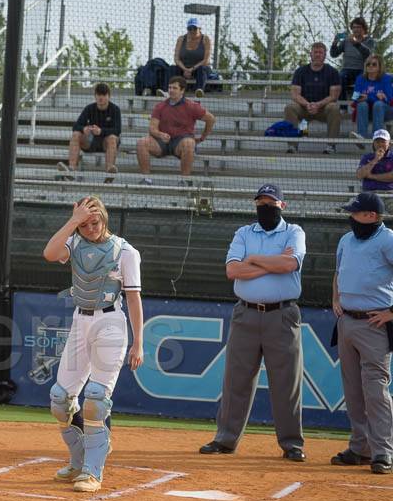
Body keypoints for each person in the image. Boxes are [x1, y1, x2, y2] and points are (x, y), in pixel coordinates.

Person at [42, 197, 144, 493]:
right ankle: (78, 460)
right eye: (84, 224)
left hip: (110, 324)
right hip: (80, 321)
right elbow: (49, 254)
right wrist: (73, 221)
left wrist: (139, 343)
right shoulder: (74, 242)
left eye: (95, 222)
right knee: (60, 400)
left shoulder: (125, 252)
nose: (90, 229)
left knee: (96, 399)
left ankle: (92, 471)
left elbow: (134, 299)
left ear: (105, 219)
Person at [200, 184, 307, 461]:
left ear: (282, 205)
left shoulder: (294, 232)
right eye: (261, 202)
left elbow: (289, 265)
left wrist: (256, 259)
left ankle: (292, 444)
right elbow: (233, 270)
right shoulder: (244, 232)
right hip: (245, 313)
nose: (265, 206)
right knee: (236, 380)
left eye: (271, 202)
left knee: (286, 382)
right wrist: (272, 262)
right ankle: (225, 439)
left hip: (282, 314)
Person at [332, 191, 393, 473]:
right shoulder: (346, 240)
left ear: (371, 216)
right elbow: (338, 272)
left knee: (375, 390)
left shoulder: (388, 239)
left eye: (354, 212)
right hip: (347, 321)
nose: (350, 217)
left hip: (374, 323)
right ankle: (360, 448)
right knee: (353, 391)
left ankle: (383, 451)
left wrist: (392, 313)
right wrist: (336, 298)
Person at [135, 77, 215, 184]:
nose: (171, 90)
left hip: (181, 141)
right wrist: (160, 134)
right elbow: (152, 128)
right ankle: (146, 179)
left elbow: (211, 119)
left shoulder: (192, 106)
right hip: (162, 142)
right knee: (141, 142)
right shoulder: (160, 106)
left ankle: (184, 181)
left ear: (182, 90)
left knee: (189, 143)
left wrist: (202, 137)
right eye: (169, 87)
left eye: (175, 88)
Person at [284, 42, 342, 153]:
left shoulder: (333, 72)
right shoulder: (300, 71)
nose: (318, 55)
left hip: (323, 108)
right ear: (311, 54)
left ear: (325, 55)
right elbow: (295, 94)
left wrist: (318, 105)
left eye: (321, 52)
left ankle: (331, 146)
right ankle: (292, 145)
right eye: (315, 52)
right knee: (290, 107)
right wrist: (307, 104)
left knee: (334, 107)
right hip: (304, 108)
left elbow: (333, 96)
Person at [57, 82, 122, 181]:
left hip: (107, 144)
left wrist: (101, 131)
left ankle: (109, 172)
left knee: (112, 138)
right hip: (91, 142)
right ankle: (71, 170)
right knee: (76, 134)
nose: (101, 98)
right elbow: (76, 126)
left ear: (109, 96)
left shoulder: (115, 109)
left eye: (103, 95)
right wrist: (84, 129)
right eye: (98, 95)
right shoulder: (89, 108)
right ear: (95, 96)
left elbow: (117, 130)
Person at [331, 16, 377, 98]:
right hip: (346, 69)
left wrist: (356, 44)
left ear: (364, 29)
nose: (356, 29)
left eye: (358, 27)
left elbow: (368, 55)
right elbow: (334, 54)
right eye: (354, 27)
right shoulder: (346, 41)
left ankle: (356, 103)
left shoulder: (369, 41)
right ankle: (343, 107)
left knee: (361, 79)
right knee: (340, 77)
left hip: (362, 70)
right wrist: (334, 44)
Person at [350, 54, 392, 140]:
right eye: (368, 64)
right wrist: (374, 97)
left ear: (380, 66)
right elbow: (355, 97)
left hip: (385, 112)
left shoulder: (386, 78)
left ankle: (376, 137)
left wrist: (368, 97)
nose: (370, 66)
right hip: (367, 112)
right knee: (362, 104)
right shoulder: (360, 78)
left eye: (374, 64)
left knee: (378, 104)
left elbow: (389, 98)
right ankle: (361, 136)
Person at [171, 17, 213, 98]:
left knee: (202, 69)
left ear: (199, 29)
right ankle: (169, 91)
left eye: (194, 28)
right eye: (190, 28)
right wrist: (185, 69)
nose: (192, 31)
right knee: (172, 68)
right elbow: (176, 58)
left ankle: (199, 90)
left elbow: (206, 60)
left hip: (199, 67)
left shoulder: (205, 39)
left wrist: (191, 69)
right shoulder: (181, 39)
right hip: (184, 67)